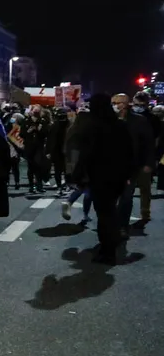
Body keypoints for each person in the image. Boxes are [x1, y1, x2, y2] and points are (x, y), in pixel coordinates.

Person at [71, 94, 134, 264]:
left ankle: (108, 250)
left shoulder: (92, 127)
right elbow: (129, 152)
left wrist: (77, 175)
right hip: (118, 177)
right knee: (110, 210)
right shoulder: (120, 125)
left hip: (99, 176)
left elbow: (85, 154)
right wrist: (128, 174)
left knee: (104, 213)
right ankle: (111, 242)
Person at [112, 93, 155, 238]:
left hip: (131, 166)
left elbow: (148, 143)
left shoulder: (139, 121)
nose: (116, 105)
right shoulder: (108, 120)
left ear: (127, 103)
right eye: (114, 102)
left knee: (126, 197)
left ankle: (122, 226)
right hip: (111, 165)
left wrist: (149, 163)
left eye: (119, 102)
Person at [130, 92, 159, 222]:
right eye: (136, 104)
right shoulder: (127, 117)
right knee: (129, 191)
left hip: (143, 159)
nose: (138, 107)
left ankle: (145, 213)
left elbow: (156, 140)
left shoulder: (152, 119)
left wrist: (151, 161)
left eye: (140, 104)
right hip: (131, 159)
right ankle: (126, 215)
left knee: (144, 189)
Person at [22, 106, 50, 194]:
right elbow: (21, 134)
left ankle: (39, 186)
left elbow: (46, 133)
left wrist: (38, 129)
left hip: (39, 147)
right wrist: (29, 131)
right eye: (35, 111)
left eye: (38, 111)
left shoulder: (42, 121)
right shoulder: (26, 121)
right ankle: (31, 186)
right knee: (31, 168)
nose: (36, 113)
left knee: (38, 166)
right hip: (29, 147)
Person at [46, 108, 70, 195]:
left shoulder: (68, 125)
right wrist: (48, 151)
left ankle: (64, 185)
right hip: (59, 151)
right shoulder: (56, 125)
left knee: (64, 170)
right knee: (60, 170)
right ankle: (61, 186)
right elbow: (50, 139)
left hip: (64, 151)